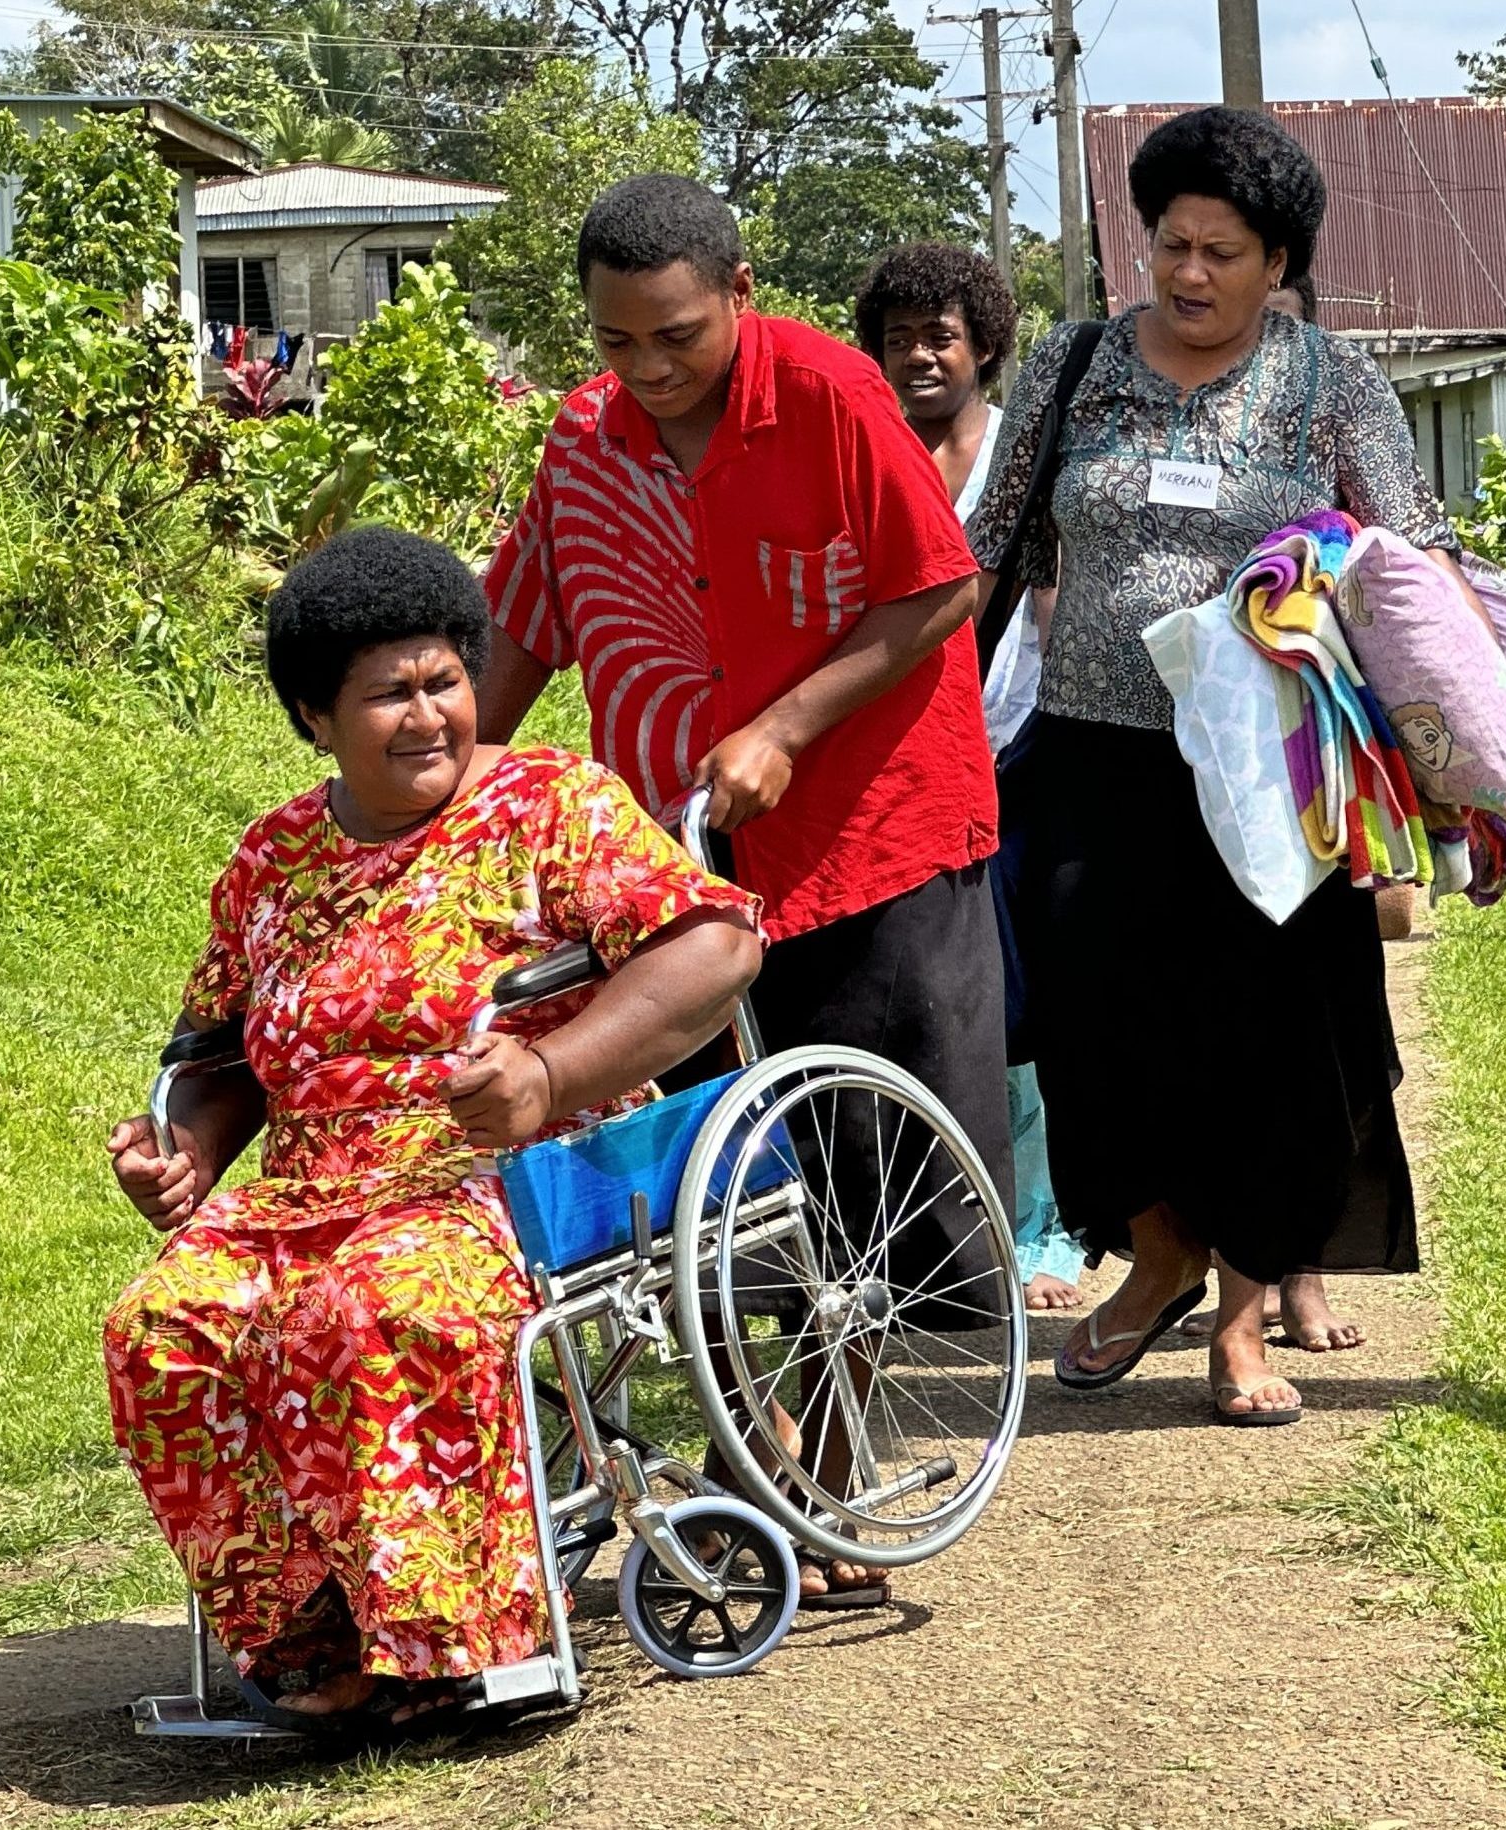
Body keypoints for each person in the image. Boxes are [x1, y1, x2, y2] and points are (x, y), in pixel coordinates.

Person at [102, 527, 761, 1730]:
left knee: (375, 1307)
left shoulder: (546, 802)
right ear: (314, 717)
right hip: (309, 1186)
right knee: (164, 1328)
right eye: (387, 695)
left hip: (507, 1167)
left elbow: (715, 944)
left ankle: (460, 1641)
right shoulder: (275, 859)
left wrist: (548, 1073)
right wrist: (187, 1152)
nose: (427, 717)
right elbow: (221, 1052)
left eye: (444, 681)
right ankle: (309, 1639)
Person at [478, 174, 1010, 1602]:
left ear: (740, 292)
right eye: (617, 340)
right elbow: (519, 634)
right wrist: (446, 789)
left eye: (678, 336)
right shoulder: (583, 442)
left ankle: (820, 1469)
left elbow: (938, 587)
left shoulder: (834, 396)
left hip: (869, 838)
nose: (648, 369)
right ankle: (764, 1448)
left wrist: (784, 725)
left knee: (853, 1175)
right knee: (706, 1185)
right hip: (677, 881)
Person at [968, 106, 1475, 1425]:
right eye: (1172, 244)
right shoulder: (1074, 367)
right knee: (1088, 1026)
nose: (1189, 274)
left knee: (1269, 1043)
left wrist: (1454, 761)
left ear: (1279, 262)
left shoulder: (1330, 386)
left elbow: (1407, 568)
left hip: (1272, 770)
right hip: (1094, 755)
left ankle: (1241, 1321)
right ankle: (1156, 1259)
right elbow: (991, 543)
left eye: (1224, 251)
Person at [853, 239, 1085, 1317]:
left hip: (1021, 750)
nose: (918, 359)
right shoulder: (865, 454)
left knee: (1027, 1007)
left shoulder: (1021, 455)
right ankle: (938, 1239)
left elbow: (1050, 597)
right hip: (900, 770)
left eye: (938, 337)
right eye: (898, 341)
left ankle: (1042, 1230)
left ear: (984, 344)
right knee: (941, 1013)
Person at [1173, 264, 1368, 1357]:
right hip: (1149, 760)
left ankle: (1287, 1280)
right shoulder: (1126, 394)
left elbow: (1396, 560)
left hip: (1300, 764)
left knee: (1304, 1038)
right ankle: (1191, 1263)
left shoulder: (1339, 397)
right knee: (1194, 1040)